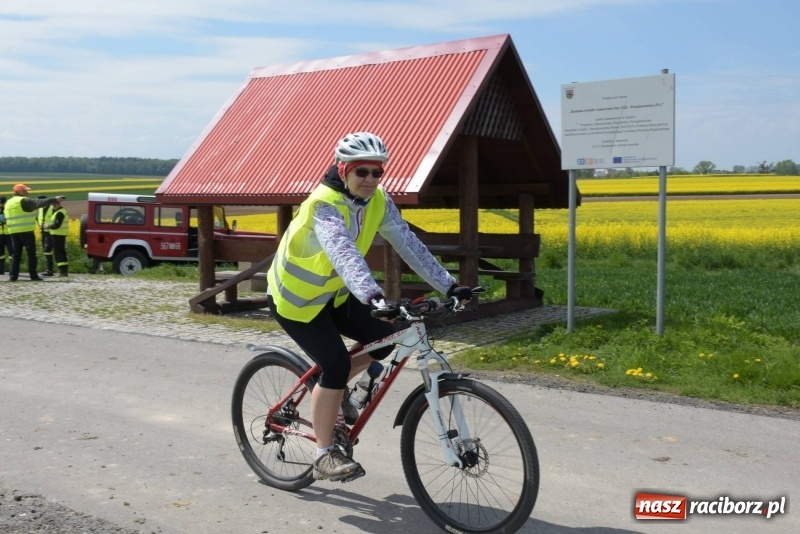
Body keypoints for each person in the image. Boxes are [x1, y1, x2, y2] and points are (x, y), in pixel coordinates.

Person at [266, 132, 473, 483]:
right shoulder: (324, 204)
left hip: (334, 295)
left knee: (386, 339)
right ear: (343, 170)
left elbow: (407, 243)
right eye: (362, 171)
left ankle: (336, 393)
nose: (370, 179)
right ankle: (324, 454)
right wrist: (373, 296)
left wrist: (449, 285)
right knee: (335, 365)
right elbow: (343, 252)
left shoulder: (378, 200)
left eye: (377, 172)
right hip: (296, 300)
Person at [4, 184, 65, 282]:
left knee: (16, 255)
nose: (27, 192)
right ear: (19, 192)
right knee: (31, 254)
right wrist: (55, 199)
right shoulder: (23, 201)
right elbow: (38, 202)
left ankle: (13, 276)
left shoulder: (9, 202)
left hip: (13, 231)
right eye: (25, 190)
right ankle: (33, 275)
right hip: (26, 231)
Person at [43, 198, 70, 277]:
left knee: (59, 253)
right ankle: (63, 271)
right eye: (53, 205)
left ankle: (63, 272)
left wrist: (48, 226)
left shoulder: (60, 213)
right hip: (59, 235)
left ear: (59, 204)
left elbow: (56, 225)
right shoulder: (59, 212)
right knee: (61, 253)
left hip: (58, 235)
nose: (54, 206)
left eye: (55, 204)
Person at [37, 195, 55, 276]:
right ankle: (49, 269)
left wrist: (49, 225)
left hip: (51, 232)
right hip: (43, 232)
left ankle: (50, 269)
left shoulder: (52, 208)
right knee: (46, 250)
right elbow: (39, 218)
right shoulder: (40, 209)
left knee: (48, 250)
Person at [0, 196, 8, 275]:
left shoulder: (8, 209)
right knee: (0, 253)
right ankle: (1, 270)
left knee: (12, 252)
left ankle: (14, 269)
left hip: (8, 233)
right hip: (0, 234)